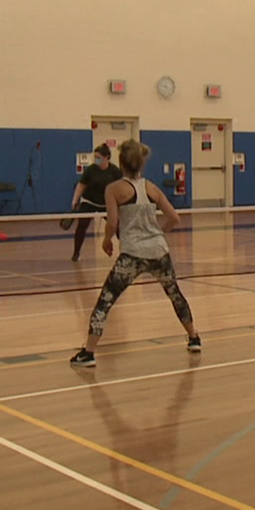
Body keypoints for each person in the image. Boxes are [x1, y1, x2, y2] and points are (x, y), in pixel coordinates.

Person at [70, 139, 200, 367]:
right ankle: (194, 338)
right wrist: (158, 233)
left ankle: (88, 352)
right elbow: (174, 218)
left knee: (106, 300)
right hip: (159, 252)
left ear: (121, 163)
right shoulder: (152, 187)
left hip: (132, 255)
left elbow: (112, 222)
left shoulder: (114, 189)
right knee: (175, 294)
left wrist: (107, 239)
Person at [70, 143, 123, 261]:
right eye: (95, 157)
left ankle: (126, 251)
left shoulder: (115, 171)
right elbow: (81, 185)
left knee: (118, 226)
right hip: (89, 202)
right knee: (81, 226)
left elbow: (122, 187)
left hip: (106, 204)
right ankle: (76, 253)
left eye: (99, 157)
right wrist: (75, 200)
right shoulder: (90, 170)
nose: (96, 160)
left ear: (107, 158)